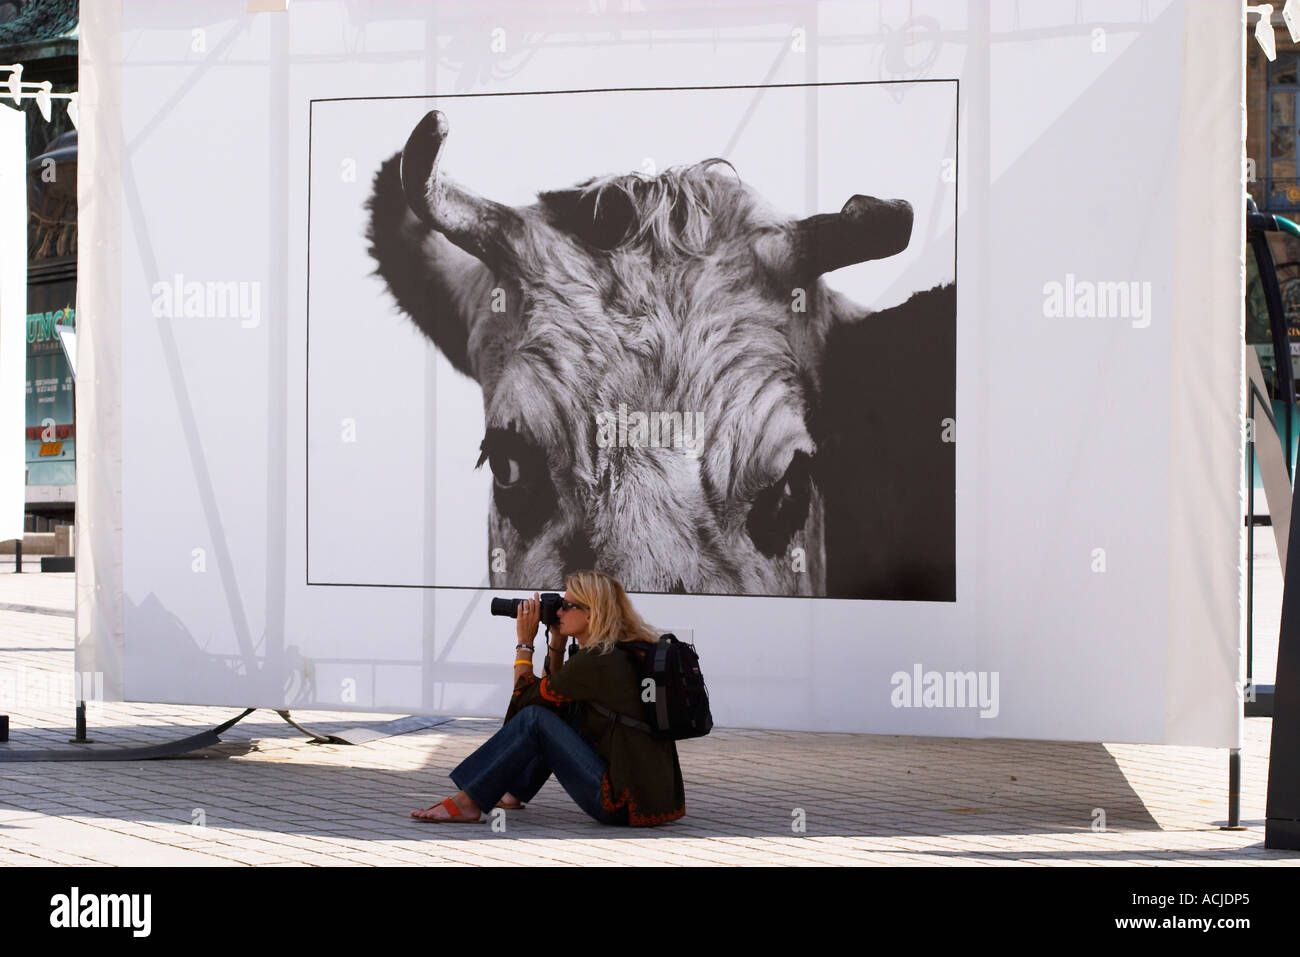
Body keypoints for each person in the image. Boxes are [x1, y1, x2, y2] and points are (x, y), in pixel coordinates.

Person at [410, 570, 686, 826]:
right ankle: (511, 792)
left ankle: (468, 802)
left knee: (534, 719)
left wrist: (524, 643)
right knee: (552, 714)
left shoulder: (597, 661)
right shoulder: (620, 651)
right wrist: (557, 642)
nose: (558, 611)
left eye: (567, 606)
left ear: (591, 613)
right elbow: (555, 697)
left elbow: (525, 702)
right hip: (656, 801)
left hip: (620, 804)